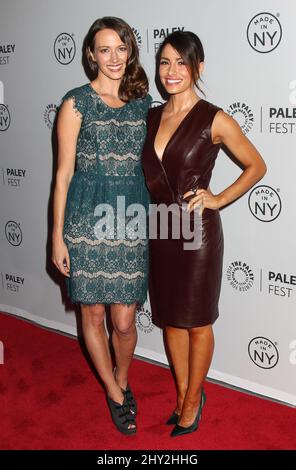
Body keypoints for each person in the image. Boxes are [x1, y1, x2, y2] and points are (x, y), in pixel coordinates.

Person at [141, 31, 267, 437]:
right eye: (164, 62)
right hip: (161, 227)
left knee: (196, 320)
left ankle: (194, 401)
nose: (171, 71)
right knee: (171, 321)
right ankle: (182, 394)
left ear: (199, 67)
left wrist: (218, 198)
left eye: (181, 62)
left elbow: (256, 166)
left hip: (196, 232)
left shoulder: (214, 118)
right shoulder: (152, 115)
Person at [52, 17, 151, 435]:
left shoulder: (144, 102)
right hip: (85, 217)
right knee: (92, 315)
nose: (113, 58)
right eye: (104, 49)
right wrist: (56, 236)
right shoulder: (75, 103)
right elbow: (62, 174)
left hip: (130, 218)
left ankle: (123, 376)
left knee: (124, 321)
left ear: (130, 52)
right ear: (91, 54)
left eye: (121, 48)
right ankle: (113, 390)